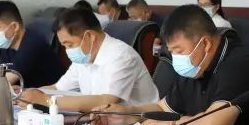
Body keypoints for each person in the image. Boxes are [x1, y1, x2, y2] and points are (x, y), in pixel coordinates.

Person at [93, 4, 249, 125]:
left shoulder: (241, 64)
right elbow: (164, 109)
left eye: (179, 51)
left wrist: (170, 124)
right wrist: (127, 114)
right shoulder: (196, 65)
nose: (176, 58)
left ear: (205, 44)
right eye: (172, 52)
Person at [19, 8, 158, 111]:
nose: (68, 50)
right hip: (104, 121)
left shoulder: (121, 55)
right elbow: (57, 88)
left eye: (70, 44)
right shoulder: (84, 56)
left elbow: (107, 101)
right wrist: (25, 94)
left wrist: (47, 101)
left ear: (90, 36)